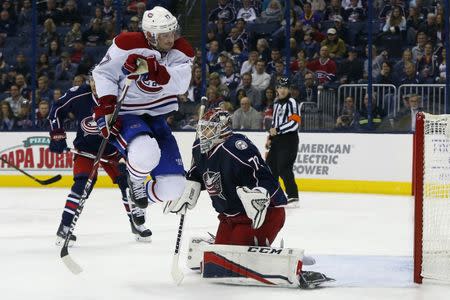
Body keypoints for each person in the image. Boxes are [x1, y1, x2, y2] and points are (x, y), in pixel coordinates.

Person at [163, 109, 332, 288]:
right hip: (229, 217)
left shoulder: (236, 147)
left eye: (209, 128)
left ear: (223, 128)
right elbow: (201, 172)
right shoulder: (199, 147)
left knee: (230, 259)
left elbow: (264, 176)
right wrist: (188, 187)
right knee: (220, 257)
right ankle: (223, 244)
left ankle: (281, 259)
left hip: (261, 216)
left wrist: (260, 195)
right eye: (202, 128)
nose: (203, 133)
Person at [92, 6, 194, 210]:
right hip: (127, 113)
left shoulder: (182, 50)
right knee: (146, 153)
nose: (170, 39)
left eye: (172, 32)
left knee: (174, 188)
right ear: (149, 34)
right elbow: (103, 74)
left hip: (156, 116)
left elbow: (181, 85)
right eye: (164, 34)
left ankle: (138, 201)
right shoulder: (126, 44)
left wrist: (153, 68)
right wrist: (107, 106)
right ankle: (136, 181)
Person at [48, 77, 152, 246]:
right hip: (86, 150)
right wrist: (57, 135)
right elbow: (57, 108)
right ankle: (65, 227)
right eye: (93, 82)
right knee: (81, 185)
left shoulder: (120, 94)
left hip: (113, 149)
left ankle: (137, 224)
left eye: (101, 82)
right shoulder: (79, 94)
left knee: (128, 183)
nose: (97, 86)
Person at [266, 77, 300, 205]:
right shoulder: (276, 103)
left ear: (289, 89)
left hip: (289, 139)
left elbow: (295, 123)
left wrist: (278, 130)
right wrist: (270, 137)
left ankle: (293, 195)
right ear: (276, 89)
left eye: (285, 87)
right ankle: (274, 194)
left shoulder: (292, 102)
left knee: (284, 167)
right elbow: (274, 123)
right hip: (277, 140)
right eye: (280, 87)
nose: (283, 90)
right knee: (270, 166)